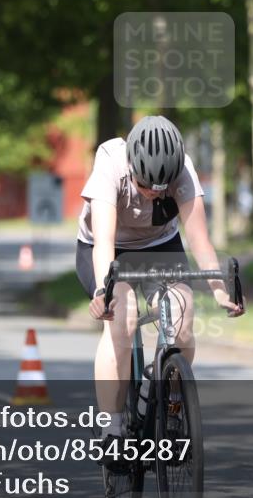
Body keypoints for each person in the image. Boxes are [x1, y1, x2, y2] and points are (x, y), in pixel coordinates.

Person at [76, 115, 243, 457]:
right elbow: (104, 241)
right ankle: (112, 427)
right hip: (109, 249)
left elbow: (200, 240)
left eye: (160, 186)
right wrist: (101, 293)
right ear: (131, 167)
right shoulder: (110, 163)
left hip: (159, 247)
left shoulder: (183, 171)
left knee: (182, 317)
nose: (153, 192)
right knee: (122, 317)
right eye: (144, 184)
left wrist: (220, 291)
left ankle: (167, 395)